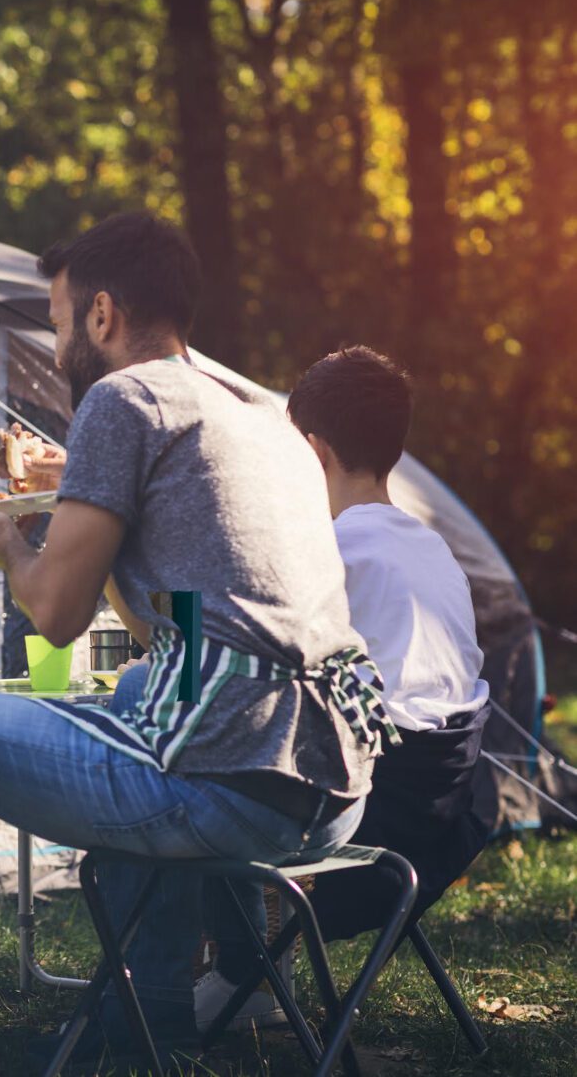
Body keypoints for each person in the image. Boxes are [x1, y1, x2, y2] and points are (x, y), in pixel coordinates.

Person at [0, 212, 394, 1076]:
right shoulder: (263, 416)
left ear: (101, 316)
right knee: (138, 692)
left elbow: (56, 613)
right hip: (332, 787)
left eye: (59, 324)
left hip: (223, 785)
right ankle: (150, 1018)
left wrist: (7, 547)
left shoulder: (122, 398)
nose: (59, 343)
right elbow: (169, 626)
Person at [193, 345, 492, 1032]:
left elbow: (231, 651)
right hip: (434, 824)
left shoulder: (335, 552)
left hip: (362, 833)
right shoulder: (428, 547)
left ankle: (244, 976)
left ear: (311, 450)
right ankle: (246, 969)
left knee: (208, 749)